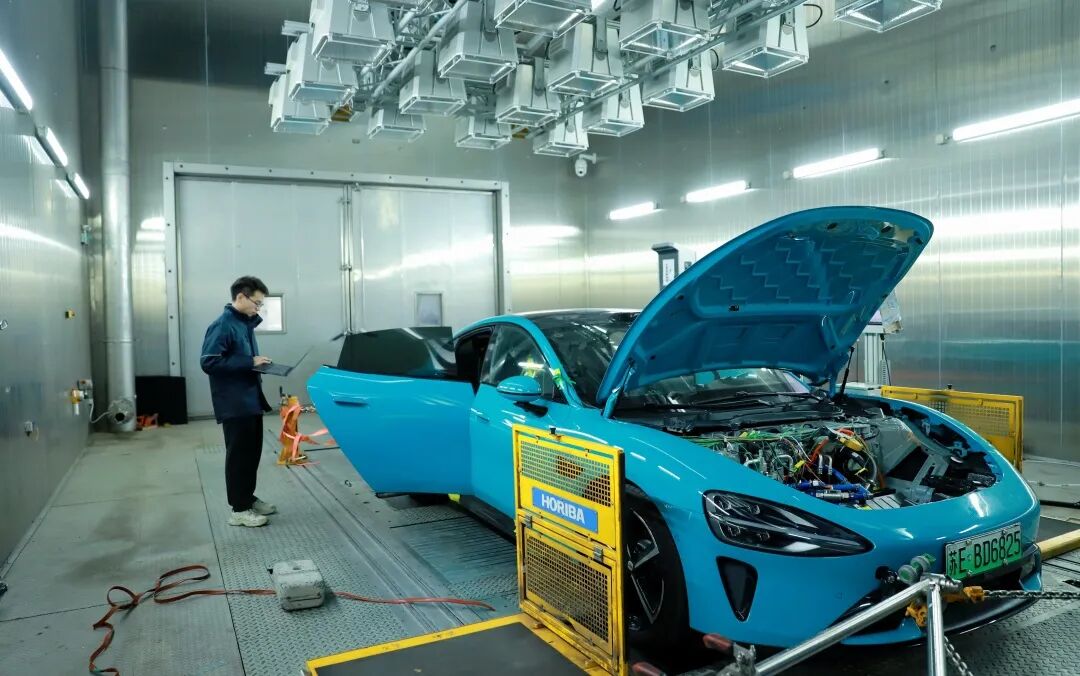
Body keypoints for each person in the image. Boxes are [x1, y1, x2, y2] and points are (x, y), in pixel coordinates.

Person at [200, 276, 277, 527]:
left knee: (251, 454)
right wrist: (249, 362)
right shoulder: (223, 325)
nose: (259, 308)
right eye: (257, 302)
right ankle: (239, 510)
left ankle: (247, 498)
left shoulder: (244, 324)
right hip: (234, 403)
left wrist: (257, 362)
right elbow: (209, 362)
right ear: (241, 297)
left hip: (250, 399)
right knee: (239, 457)